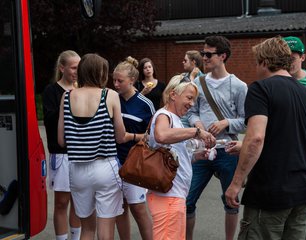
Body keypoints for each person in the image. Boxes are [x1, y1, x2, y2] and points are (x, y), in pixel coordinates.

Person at [225, 36, 306, 240]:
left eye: (257, 62)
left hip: (270, 192)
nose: (256, 68)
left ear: (265, 62)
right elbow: (296, 139)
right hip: (303, 190)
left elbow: (256, 138)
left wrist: (236, 183)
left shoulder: (260, 89)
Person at [58, 53, 126, 240]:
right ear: (100, 73)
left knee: (87, 229)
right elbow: (120, 137)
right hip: (105, 167)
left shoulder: (67, 96)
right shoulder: (110, 95)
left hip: (77, 171)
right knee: (105, 231)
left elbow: (61, 140)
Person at [186, 35, 248, 240]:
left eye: (209, 54)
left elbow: (247, 120)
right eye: (203, 53)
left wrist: (226, 122)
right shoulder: (198, 83)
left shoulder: (239, 86)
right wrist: (197, 125)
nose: (204, 57)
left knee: (230, 201)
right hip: (201, 151)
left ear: (223, 56)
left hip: (228, 150)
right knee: (187, 200)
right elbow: (190, 112)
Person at [147, 74, 216, 240]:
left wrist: (197, 156)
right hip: (168, 196)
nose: (192, 104)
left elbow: (173, 156)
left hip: (174, 194)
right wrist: (196, 131)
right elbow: (161, 135)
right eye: (189, 98)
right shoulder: (165, 116)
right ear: (173, 94)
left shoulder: (175, 119)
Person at [112, 56, 155, 240]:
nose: (115, 84)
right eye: (113, 80)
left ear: (132, 81)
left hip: (135, 163)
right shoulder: (112, 99)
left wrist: (131, 137)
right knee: (119, 209)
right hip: (113, 162)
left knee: (138, 210)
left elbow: (154, 137)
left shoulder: (145, 105)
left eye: (119, 81)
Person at [42, 50, 81, 240]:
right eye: (73, 67)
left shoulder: (83, 89)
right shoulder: (51, 91)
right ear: (62, 68)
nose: (77, 71)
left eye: (79, 67)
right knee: (61, 203)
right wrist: (66, 101)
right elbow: (49, 120)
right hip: (61, 154)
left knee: (78, 202)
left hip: (81, 153)